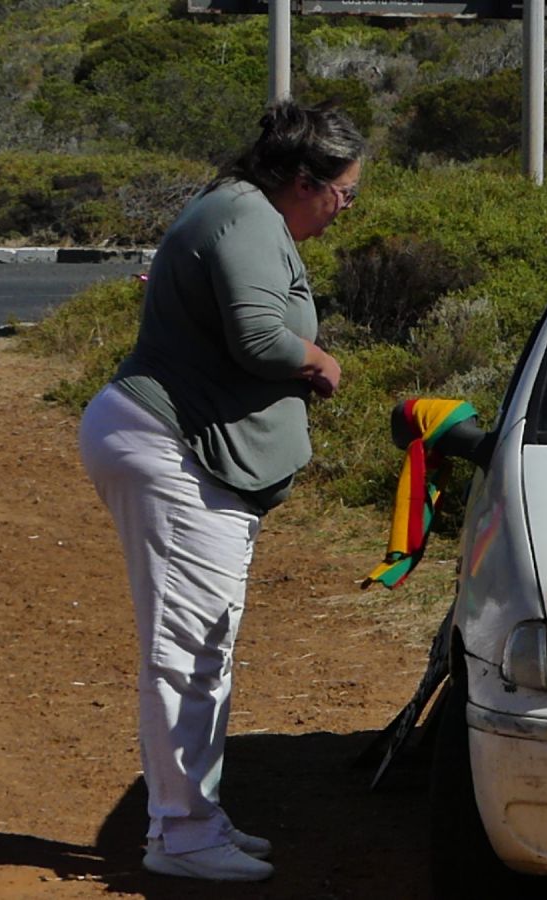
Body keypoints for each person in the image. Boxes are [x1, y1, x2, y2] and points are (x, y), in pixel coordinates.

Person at [77, 100, 364, 882]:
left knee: (201, 644)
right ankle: (181, 836)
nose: (345, 210)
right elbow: (259, 335)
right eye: (344, 194)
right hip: (171, 447)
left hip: (178, 447)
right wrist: (319, 359)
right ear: (304, 181)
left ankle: (194, 816)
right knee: (188, 650)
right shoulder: (242, 218)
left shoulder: (242, 214)